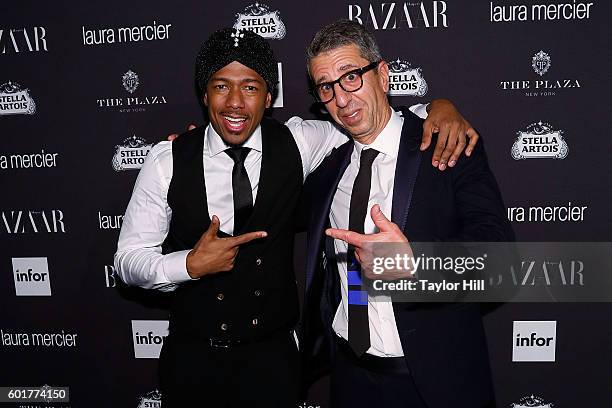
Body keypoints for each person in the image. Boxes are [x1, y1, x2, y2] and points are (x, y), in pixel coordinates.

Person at [115, 27, 478, 407]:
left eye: (251, 88)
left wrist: (437, 107)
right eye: (221, 86)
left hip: (274, 363)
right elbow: (127, 261)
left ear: (268, 97)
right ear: (204, 94)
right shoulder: (165, 161)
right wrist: (188, 265)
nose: (235, 103)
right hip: (193, 362)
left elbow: (370, 118)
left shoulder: (300, 141)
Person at [301, 20, 514, 408]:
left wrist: (416, 264)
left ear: (382, 75)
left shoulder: (447, 145)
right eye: (326, 87)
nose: (342, 99)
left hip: (433, 381)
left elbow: (501, 262)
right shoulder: (326, 168)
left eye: (351, 77)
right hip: (350, 375)